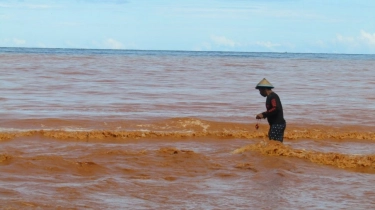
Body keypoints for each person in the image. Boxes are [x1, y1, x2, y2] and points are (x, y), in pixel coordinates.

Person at [255, 78, 286, 142]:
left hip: (277, 124)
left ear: (265, 89)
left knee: (274, 143)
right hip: (276, 124)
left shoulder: (272, 96)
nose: (260, 93)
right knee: (275, 143)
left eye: (260, 90)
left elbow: (275, 108)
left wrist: (263, 114)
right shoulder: (270, 97)